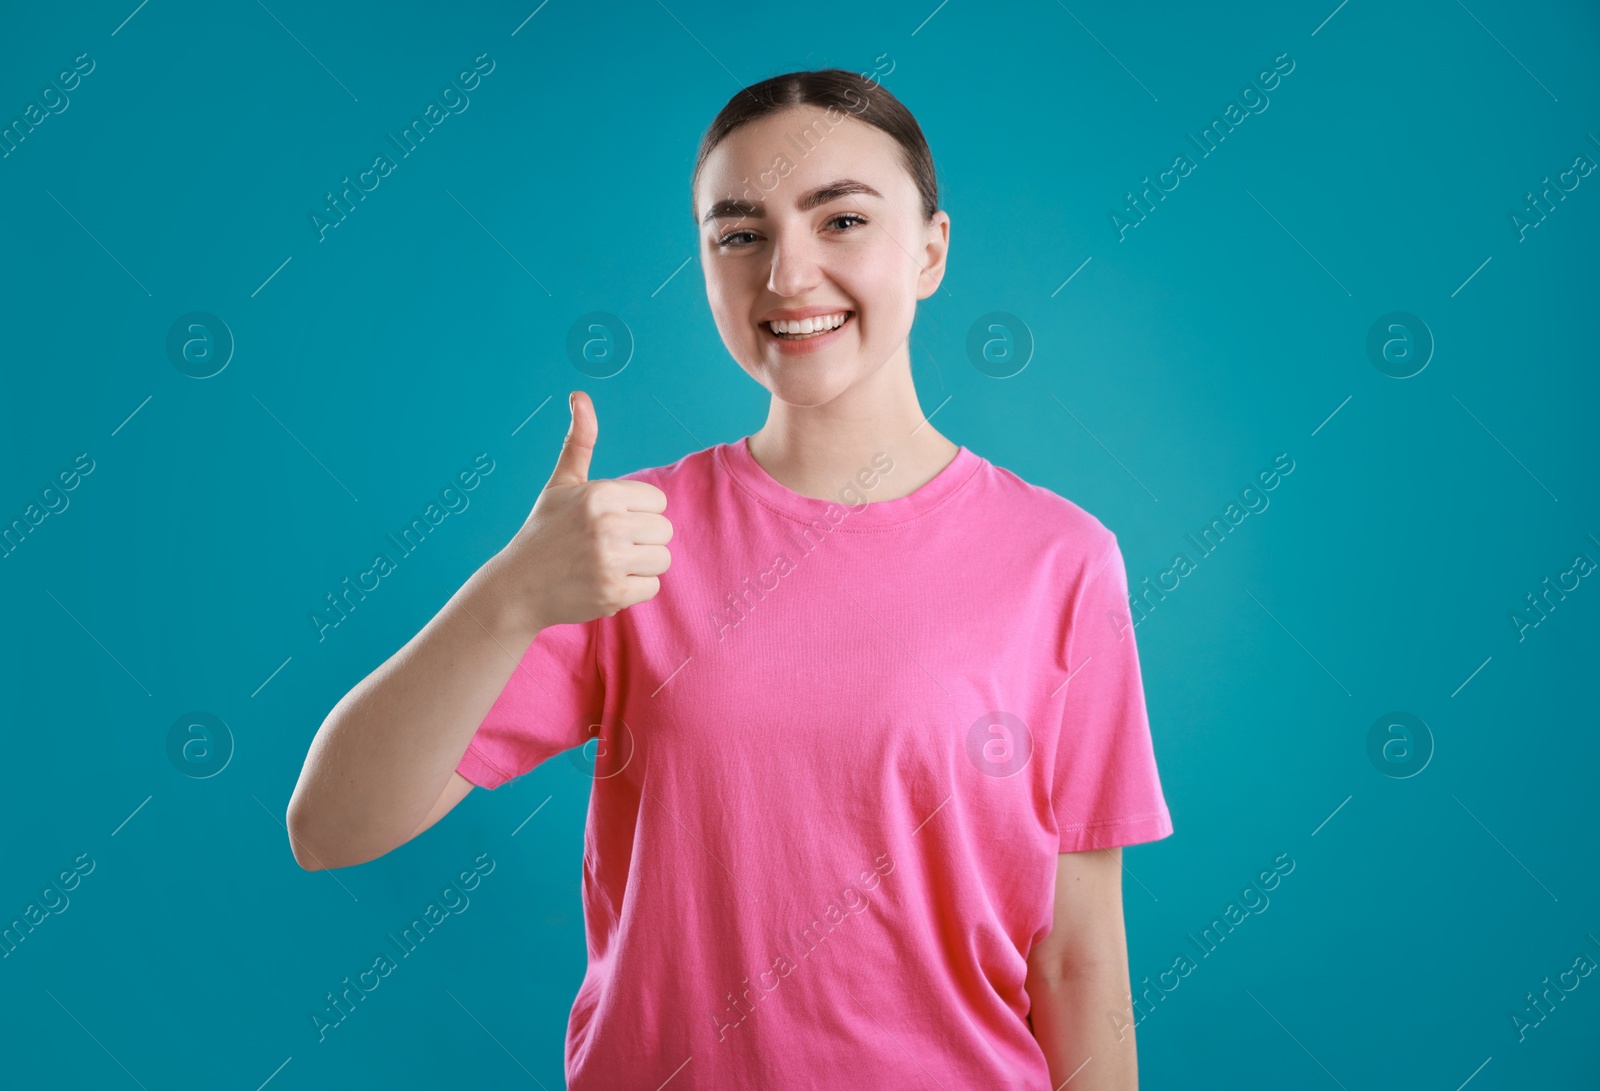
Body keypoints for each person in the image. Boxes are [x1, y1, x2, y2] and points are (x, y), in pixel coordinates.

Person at [287, 68, 1173, 1091]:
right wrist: (508, 593)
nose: (788, 275)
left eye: (840, 219)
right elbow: (331, 825)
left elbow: (1076, 955)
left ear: (930, 249)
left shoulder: (1060, 559)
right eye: (739, 234)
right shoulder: (625, 543)